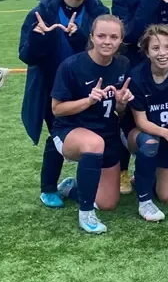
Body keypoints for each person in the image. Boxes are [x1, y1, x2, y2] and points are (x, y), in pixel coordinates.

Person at [19, 0, 110, 208]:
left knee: (93, 133)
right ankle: (48, 187)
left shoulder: (99, 14)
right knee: (58, 133)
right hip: (53, 88)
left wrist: (79, 36)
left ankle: (81, 184)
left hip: (91, 85)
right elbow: (26, 56)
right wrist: (39, 39)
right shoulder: (40, 13)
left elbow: (106, 49)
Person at [49, 14, 132, 233]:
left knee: (108, 203)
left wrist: (122, 103)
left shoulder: (123, 64)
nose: (107, 41)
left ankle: (72, 188)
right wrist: (88, 100)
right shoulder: (72, 66)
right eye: (102, 35)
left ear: (120, 39)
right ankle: (86, 214)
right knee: (94, 144)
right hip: (70, 130)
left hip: (107, 134)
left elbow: (117, 109)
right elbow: (56, 109)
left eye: (114, 37)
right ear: (92, 37)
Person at [125, 24, 168, 220]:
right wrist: (166, 133)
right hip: (138, 134)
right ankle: (144, 202)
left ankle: (145, 175)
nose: (162, 53)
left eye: (167, 47)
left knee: (166, 196)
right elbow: (141, 121)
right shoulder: (137, 76)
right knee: (149, 142)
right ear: (146, 52)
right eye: (155, 48)